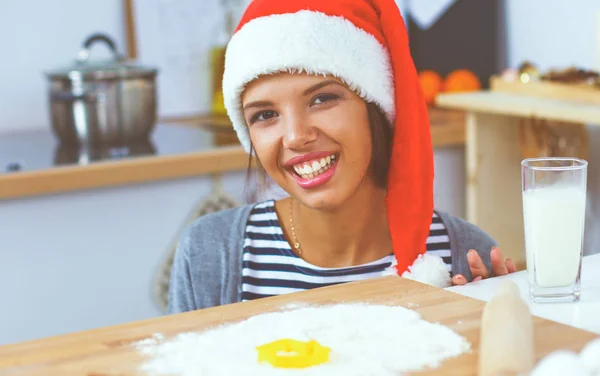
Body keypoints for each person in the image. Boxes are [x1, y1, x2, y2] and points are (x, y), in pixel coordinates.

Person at [168, 0, 517, 313]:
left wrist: (490, 332)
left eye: (322, 99)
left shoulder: (466, 254)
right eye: (264, 115)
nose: (296, 136)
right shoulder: (209, 254)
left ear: (376, 107)